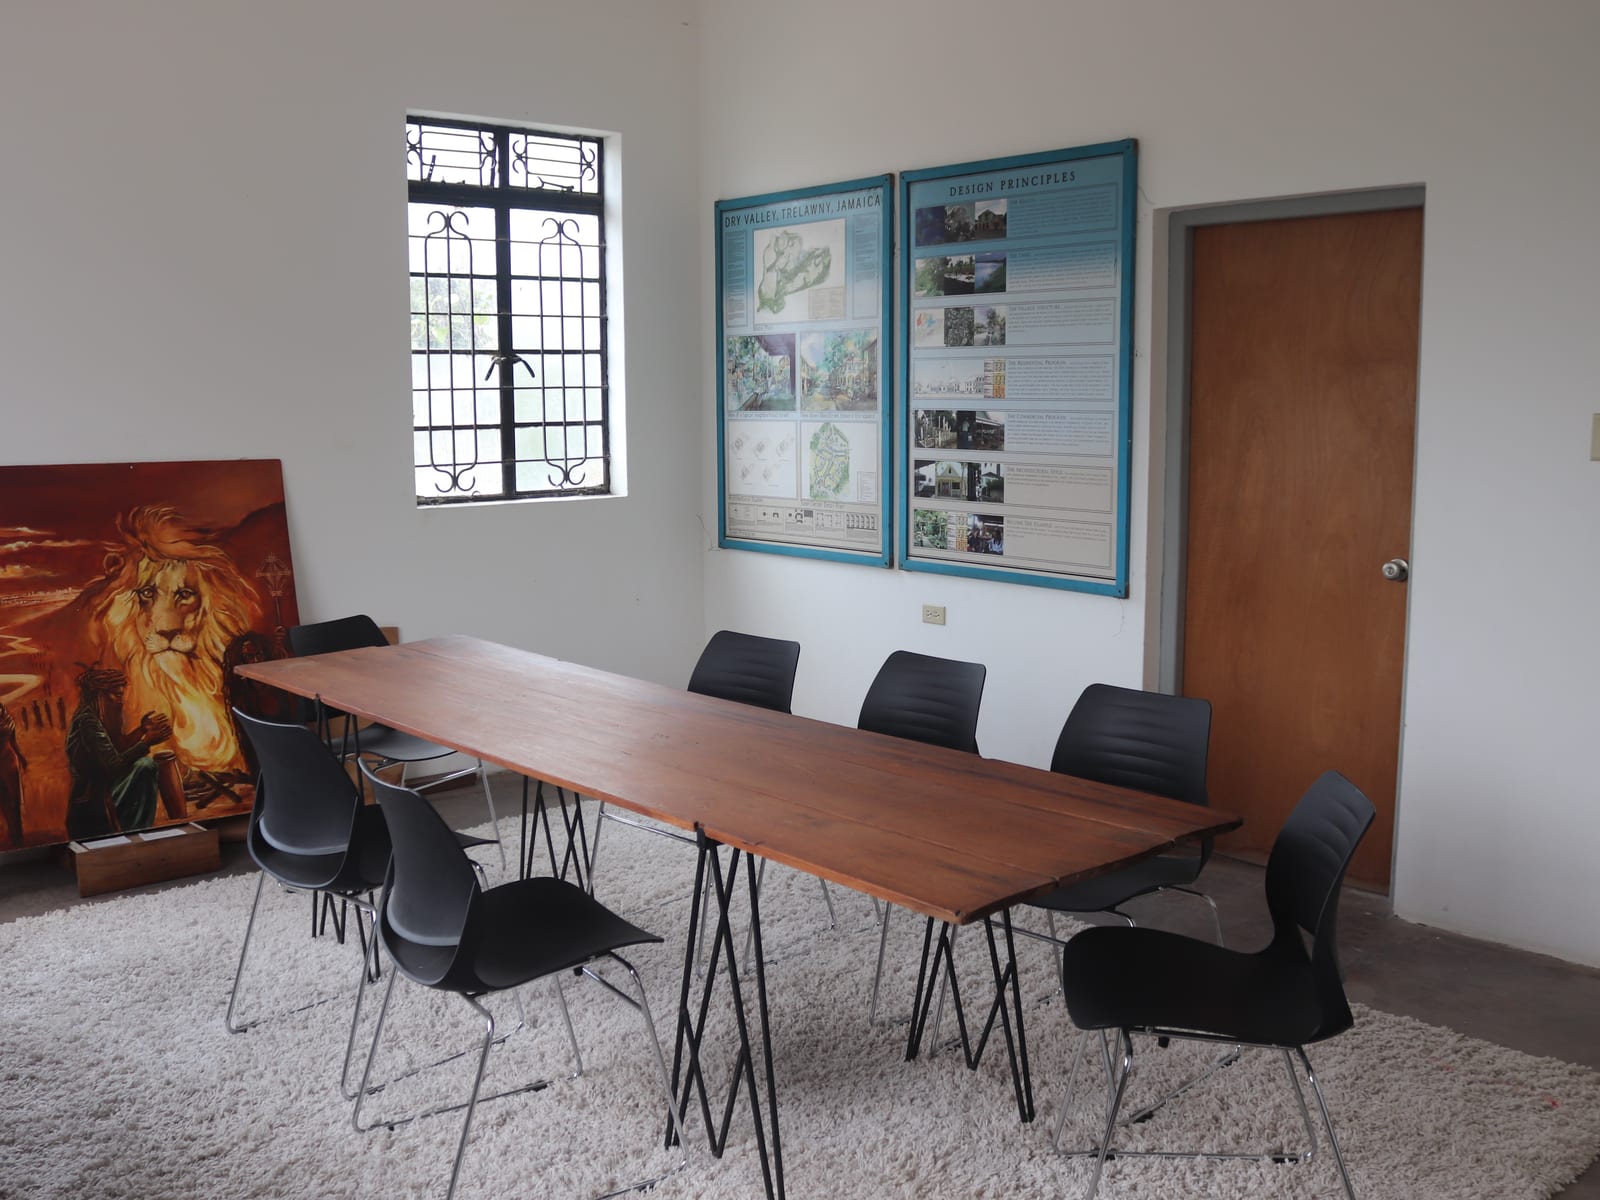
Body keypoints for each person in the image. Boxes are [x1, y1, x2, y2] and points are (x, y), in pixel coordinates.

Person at [64, 666, 172, 840]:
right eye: (117, 695)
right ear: (100, 695)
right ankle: (138, 834)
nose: (121, 700)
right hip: (93, 804)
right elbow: (114, 765)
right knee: (146, 765)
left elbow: (117, 747)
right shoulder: (87, 722)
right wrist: (146, 742)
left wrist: (142, 730)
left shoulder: (100, 715)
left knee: (145, 764)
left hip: (105, 792)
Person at [0, 700, 26, 848]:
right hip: (9, 761)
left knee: (13, 800)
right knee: (5, 800)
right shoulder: (8, 720)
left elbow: (14, 742)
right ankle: (14, 833)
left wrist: (21, 757)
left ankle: (17, 834)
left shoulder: (8, 721)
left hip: (9, 762)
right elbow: (14, 743)